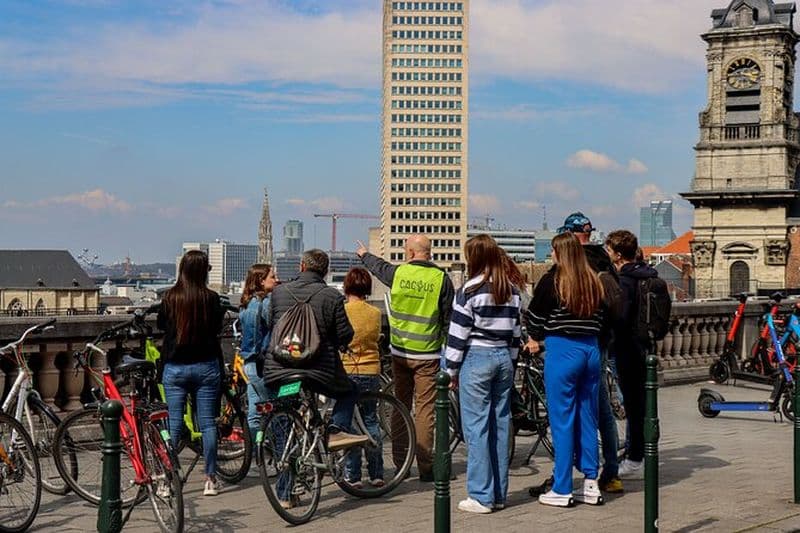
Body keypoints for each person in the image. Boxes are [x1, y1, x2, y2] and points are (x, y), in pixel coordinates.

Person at [357, 235, 455, 482]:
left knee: (400, 405)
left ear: (410, 253)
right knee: (425, 410)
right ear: (428, 253)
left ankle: (401, 463)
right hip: (428, 355)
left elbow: (379, 268)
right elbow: (448, 321)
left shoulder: (399, 274)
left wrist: (364, 254)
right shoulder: (441, 279)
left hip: (400, 353)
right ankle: (426, 466)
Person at [526, 232, 605, 507]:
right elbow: (603, 317)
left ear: (559, 253)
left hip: (563, 348)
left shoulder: (555, 280)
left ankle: (562, 486)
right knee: (587, 417)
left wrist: (534, 336)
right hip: (591, 349)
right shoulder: (593, 279)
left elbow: (535, 315)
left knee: (561, 420)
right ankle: (591, 482)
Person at [261, 249, 367, 451]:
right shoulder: (332, 296)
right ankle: (336, 430)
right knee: (350, 390)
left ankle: (284, 473)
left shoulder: (278, 293)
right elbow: (344, 333)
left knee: (284, 414)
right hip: (318, 373)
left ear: (302, 266)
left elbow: (270, 323)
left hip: (279, 370)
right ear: (325, 272)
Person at [444, 235, 520, 514]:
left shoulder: (469, 290)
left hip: (476, 358)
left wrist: (450, 370)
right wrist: (510, 364)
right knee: (500, 427)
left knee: (476, 429)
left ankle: (480, 495)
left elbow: (457, 335)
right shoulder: (510, 290)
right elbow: (516, 334)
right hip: (503, 359)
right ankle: (499, 493)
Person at [558, 212, 624, 493]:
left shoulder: (575, 263)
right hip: (602, 339)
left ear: (572, 235)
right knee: (602, 410)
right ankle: (611, 471)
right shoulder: (606, 261)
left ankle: (578, 473)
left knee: (573, 409)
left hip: (576, 341)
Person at [158, 250, 225, 496]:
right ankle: (210, 478)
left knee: (174, 425)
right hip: (206, 365)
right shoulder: (212, 298)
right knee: (207, 424)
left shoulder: (170, 297)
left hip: (175, 367)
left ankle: (167, 480)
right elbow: (218, 328)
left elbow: (162, 326)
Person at [605, 230, 658, 480]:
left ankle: (635, 457)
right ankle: (644, 451)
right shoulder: (649, 276)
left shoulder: (624, 282)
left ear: (617, 254)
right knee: (642, 404)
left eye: (608, 250)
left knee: (633, 405)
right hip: (647, 346)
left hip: (626, 348)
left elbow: (620, 318)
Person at [341, 267, 384, 489]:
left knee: (349, 426)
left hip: (347, 370)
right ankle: (377, 473)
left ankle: (353, 474)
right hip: (370, 369)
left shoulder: (342, 311)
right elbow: (376, 337)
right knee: (371, 419)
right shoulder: (375, 313)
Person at [238, 264, 278, 446]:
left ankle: (257, 455)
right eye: (272, 277)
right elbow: (274, 327)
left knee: (254, 414)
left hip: (249, 363)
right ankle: (279, 455)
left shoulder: (246, 302)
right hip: (262, 363)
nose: (276, 280)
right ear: (261, 281)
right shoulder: (266, 302)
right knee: (275, 411)